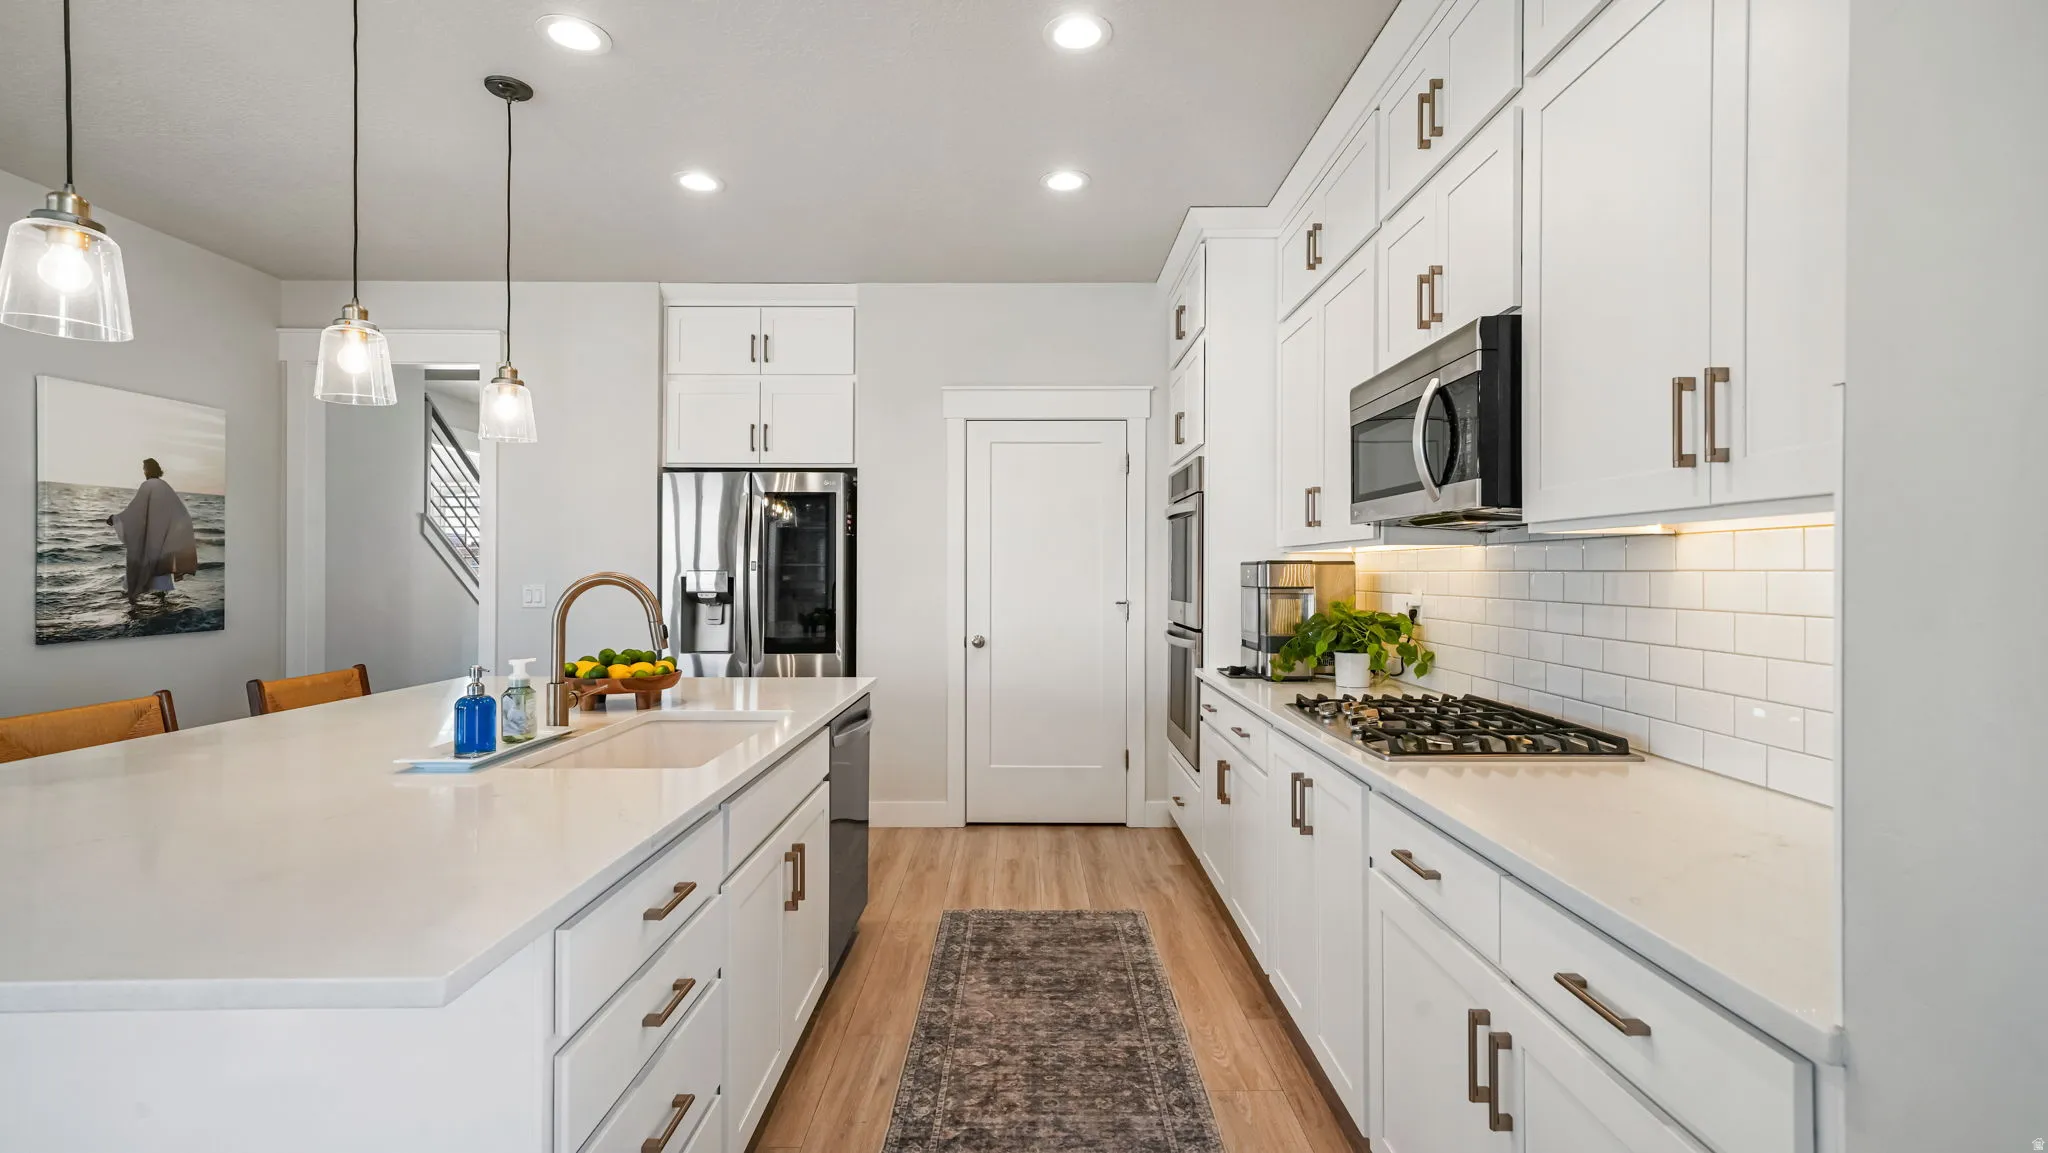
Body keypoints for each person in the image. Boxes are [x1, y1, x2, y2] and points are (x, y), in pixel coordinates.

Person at [106, 458, 198, 605]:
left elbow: (135, 510)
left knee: (142, 559)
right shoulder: (165, 486)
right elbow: (180, 512)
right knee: (160, 564)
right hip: (162, 534)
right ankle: (162, 601)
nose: (144, 471)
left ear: (148, 470)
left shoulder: (147, 485)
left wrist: (115, 519)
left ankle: (134, 605)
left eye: (144, 468)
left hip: (151, 535)